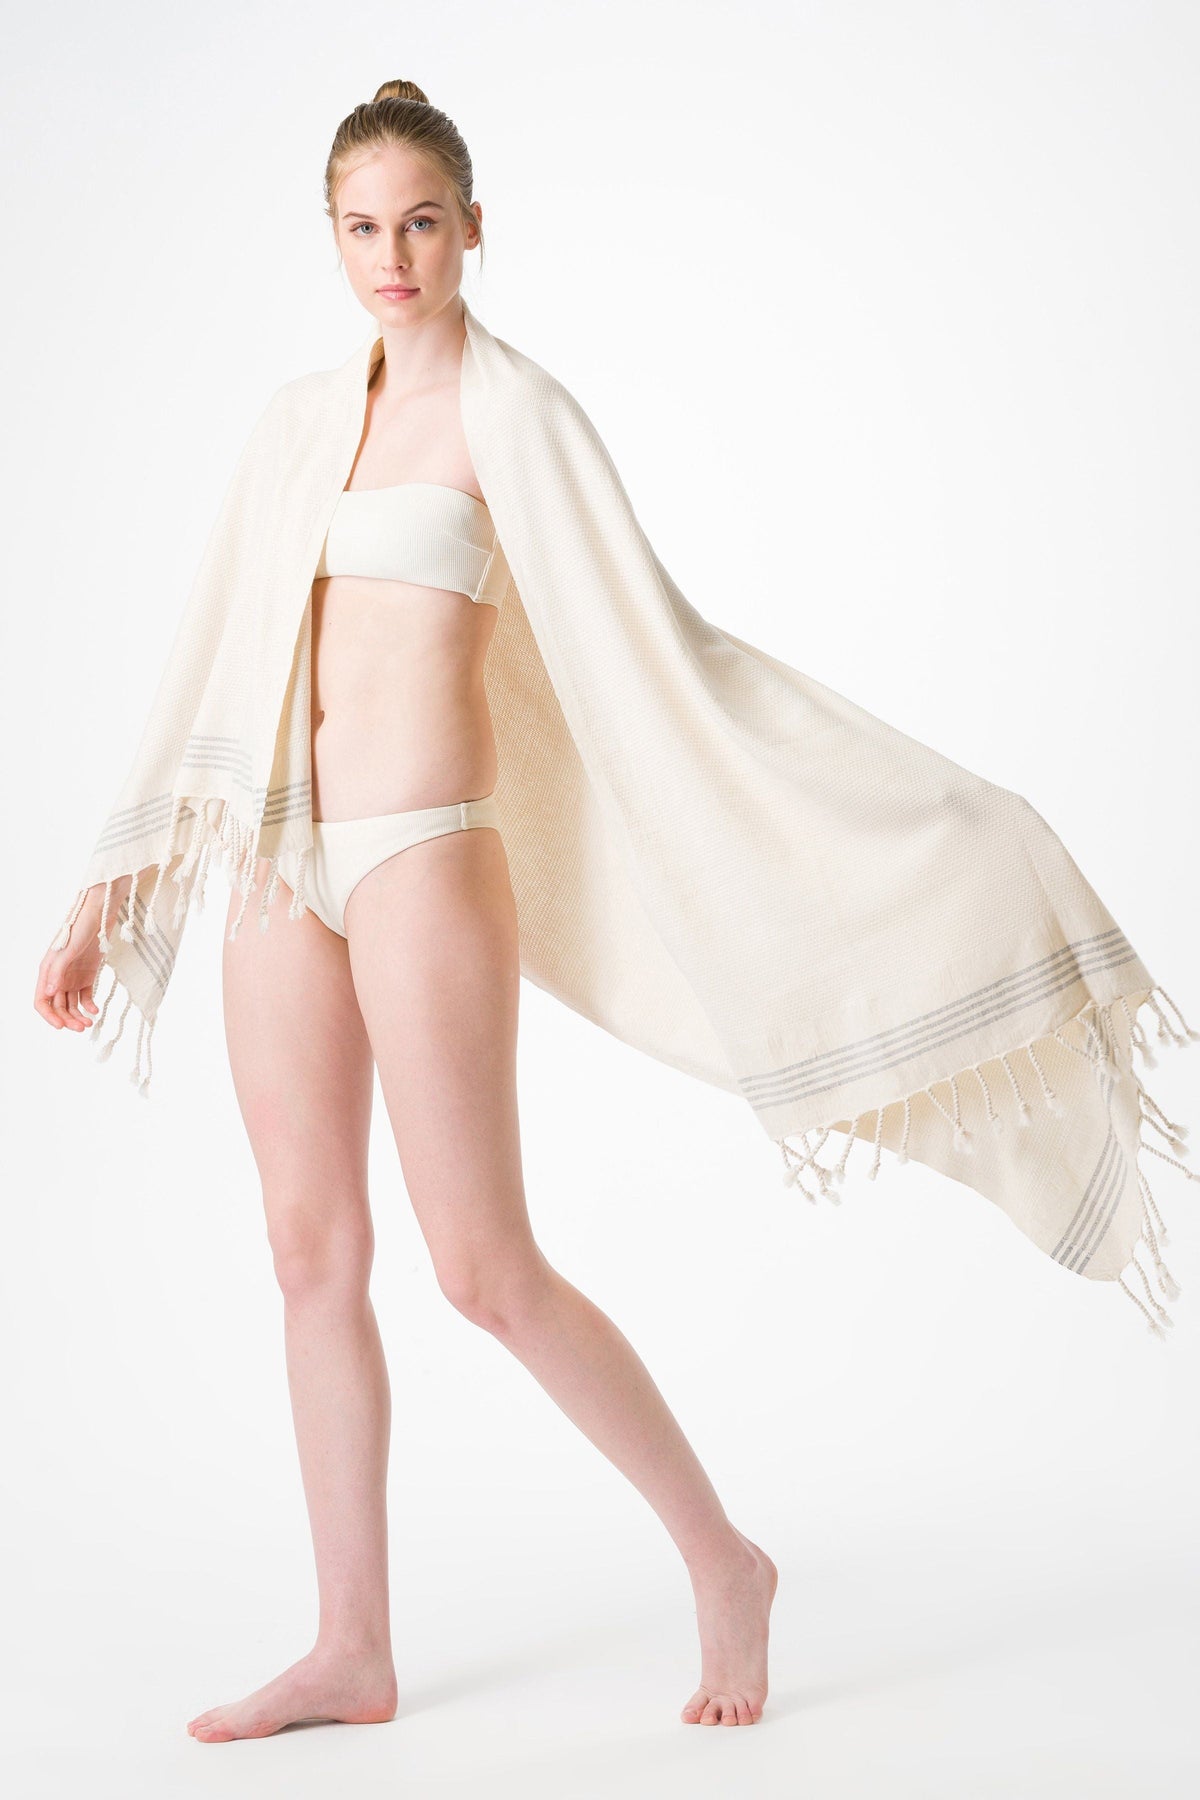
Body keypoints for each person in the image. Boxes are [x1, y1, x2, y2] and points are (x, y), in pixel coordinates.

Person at [35, 79, 778, 1739]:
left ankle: (725, 1561)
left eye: (422, 223)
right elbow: (208, 656)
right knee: (310, 1249)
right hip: (275, 857)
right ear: (333, 237)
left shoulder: (517, 420)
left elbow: (654, 650)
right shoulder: (299, 422)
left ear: (472, 229)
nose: (394, 255)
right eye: (364, 228)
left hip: (424, 849)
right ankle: (350, 1648)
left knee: (482, 1267)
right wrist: (109, 887)